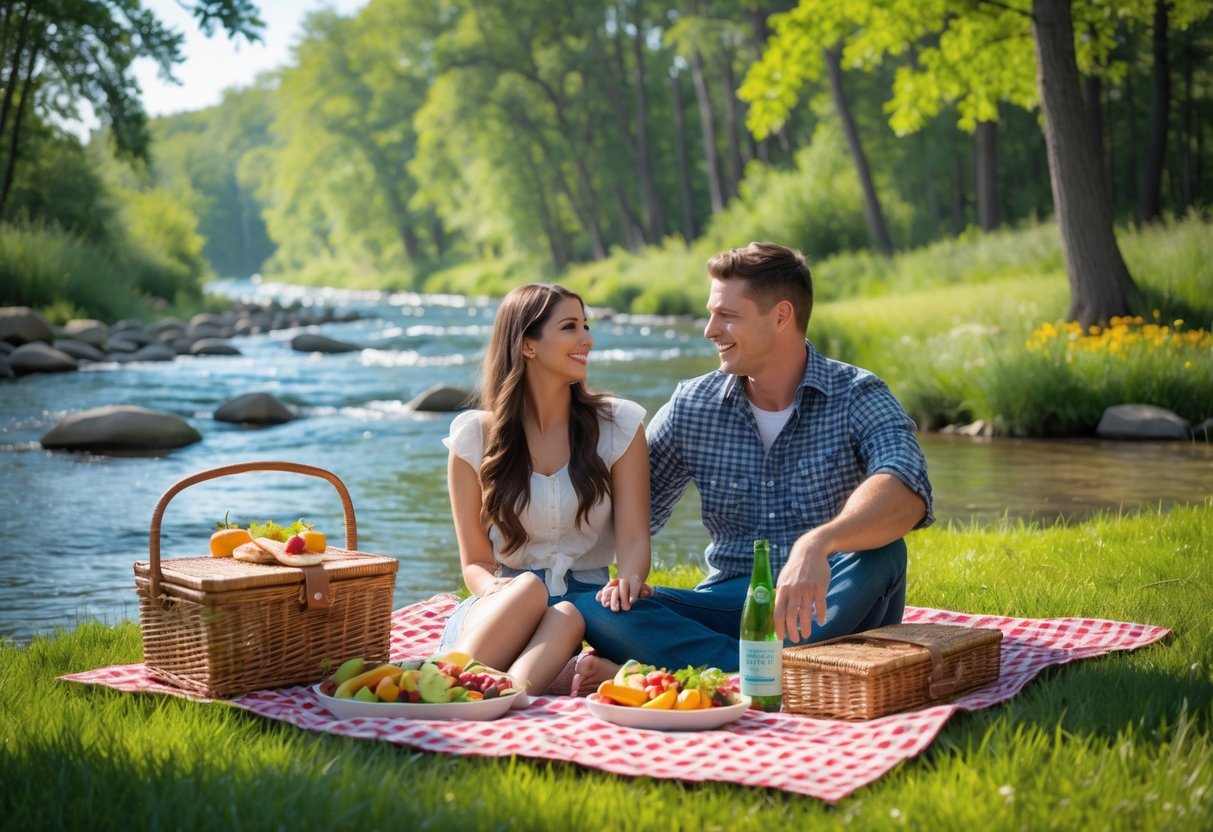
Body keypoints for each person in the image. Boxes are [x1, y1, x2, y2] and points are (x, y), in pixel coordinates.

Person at [573, 242, 933, 670]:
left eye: (727, 316)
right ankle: (761, 668)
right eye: (711, 313)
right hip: (727, 605)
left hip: (826, 602)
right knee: (594, 606)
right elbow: (628, 510)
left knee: (883, 552)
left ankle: (694, 667)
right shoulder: (693, 405)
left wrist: (817, 544)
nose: (710, 330)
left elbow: (906, 485)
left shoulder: (857, 394)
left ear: (781, 316)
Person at [437, 283, 651, 697]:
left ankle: (496, 694)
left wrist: (630, 577)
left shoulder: (618, 426)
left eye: (585, 326)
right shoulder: (474, 438)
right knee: (530, 590)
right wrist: (498, 591)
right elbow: (475, 563)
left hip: (588, 608)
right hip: (502, 606)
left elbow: (634, 536)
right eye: (570, 327)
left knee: (568, 613)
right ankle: (443, 679)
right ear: (528, 346)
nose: (587, 339)